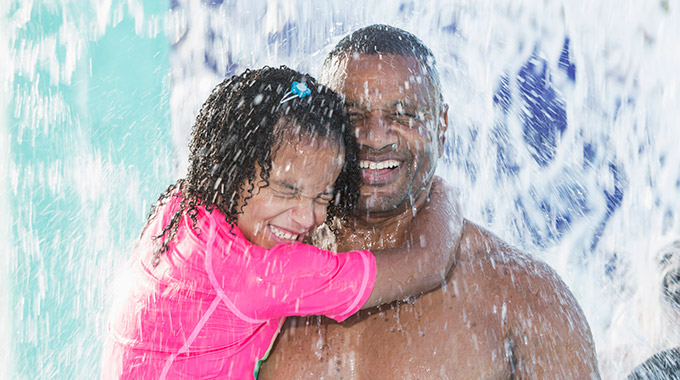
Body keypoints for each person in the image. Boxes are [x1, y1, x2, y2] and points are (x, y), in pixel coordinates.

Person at [259, 25, 601, 378]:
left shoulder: (522, 294)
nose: (375, 138)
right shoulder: (259, 270)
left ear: (441, 126)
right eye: (351, 115)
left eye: (403, 115)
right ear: (320, 127)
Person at [101, 66, 460, 379]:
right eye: (286, 190)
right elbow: (427, 262)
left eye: (323, 196)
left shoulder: (182, 207)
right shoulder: (258, 275)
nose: (307, 217)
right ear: (233, 170)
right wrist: (442, 190)